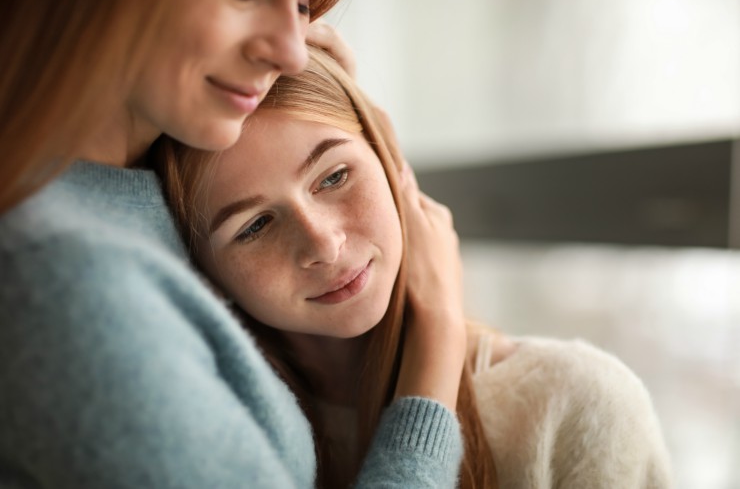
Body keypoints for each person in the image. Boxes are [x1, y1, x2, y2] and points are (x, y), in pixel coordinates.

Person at [0, 0, 470, 488]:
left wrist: (342, 109)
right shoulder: (59, 282)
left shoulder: (141, 180)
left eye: (303, 5)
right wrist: (438, 343)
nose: (293, 52)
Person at [157, 45, 674, 488]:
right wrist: (440, 329)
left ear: (390, 164)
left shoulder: (576, 404)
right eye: (253, 226)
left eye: (334, 176)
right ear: (204, 274)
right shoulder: (213, 436)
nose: (324, 243)